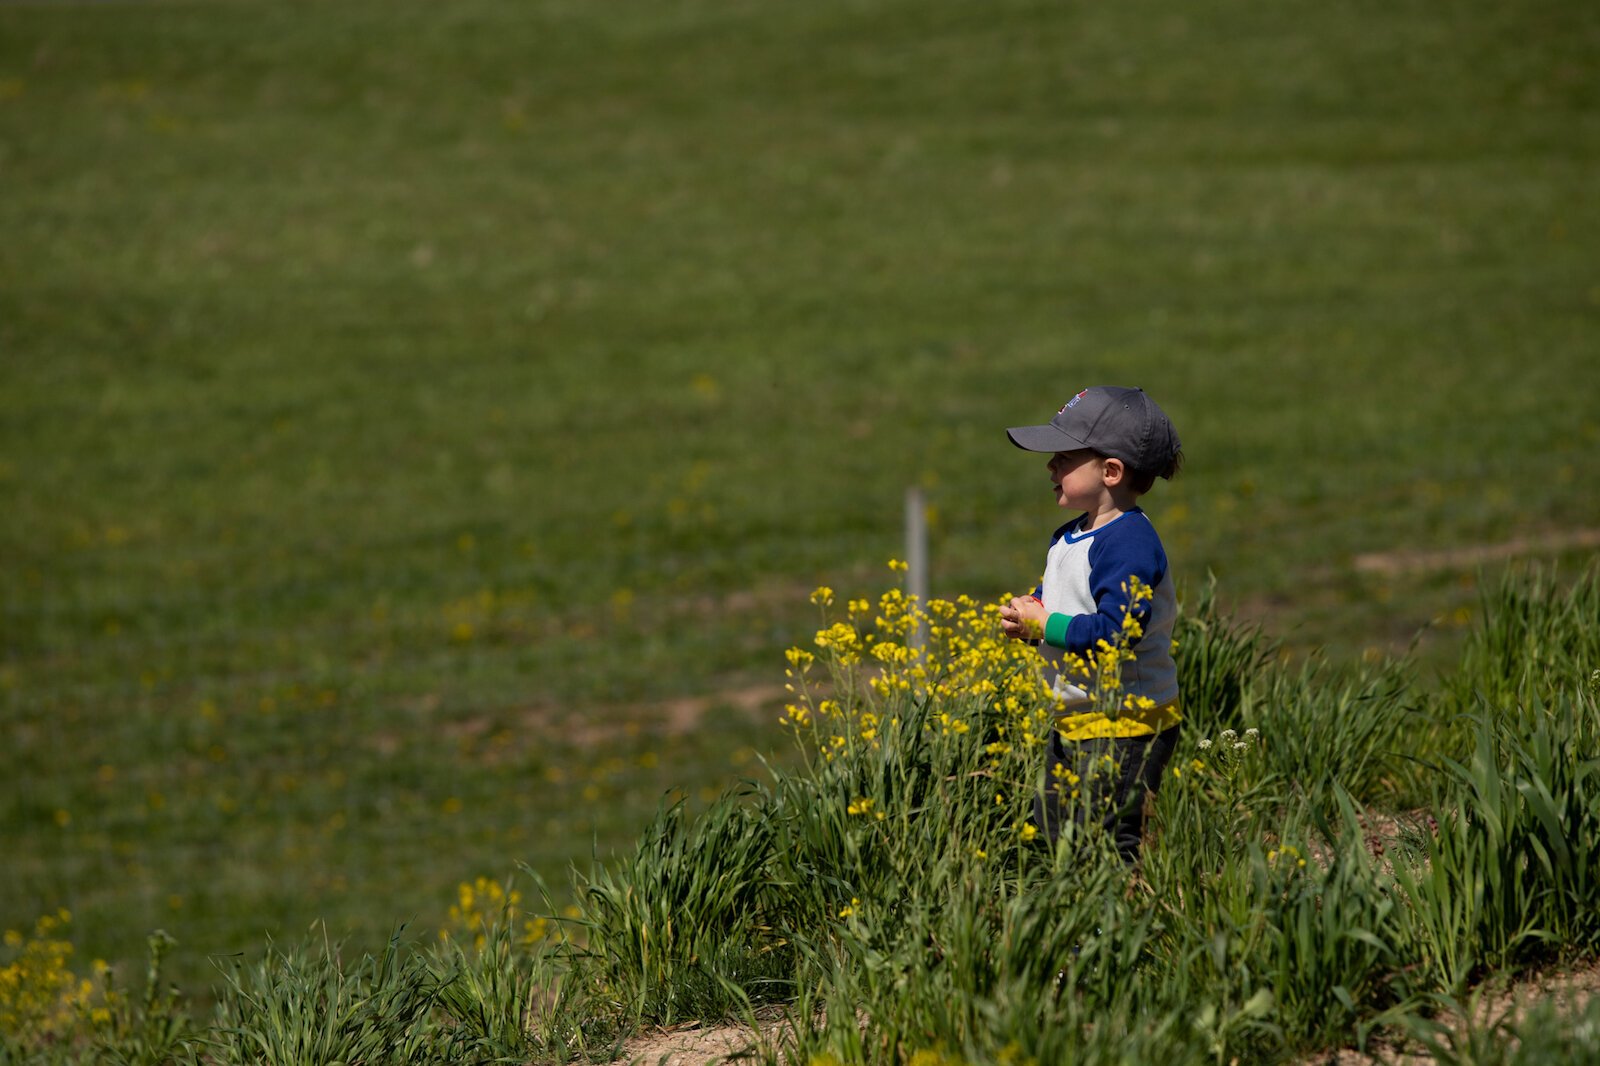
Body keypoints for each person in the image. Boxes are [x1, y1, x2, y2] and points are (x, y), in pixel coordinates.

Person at [998, 385, 1183, 865]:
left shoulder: (1129, 543)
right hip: (1079, 720)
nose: (1050, 467)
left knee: (1110, 846)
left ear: (1111, 471)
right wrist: (1031, 612)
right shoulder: (1071, 535)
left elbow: (1116, 634)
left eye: (1062, 456)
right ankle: (1074, 929)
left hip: (1127, 724)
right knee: (1054, 834)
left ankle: (1115, 936)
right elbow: (1063, 597)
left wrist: (1046, 626)